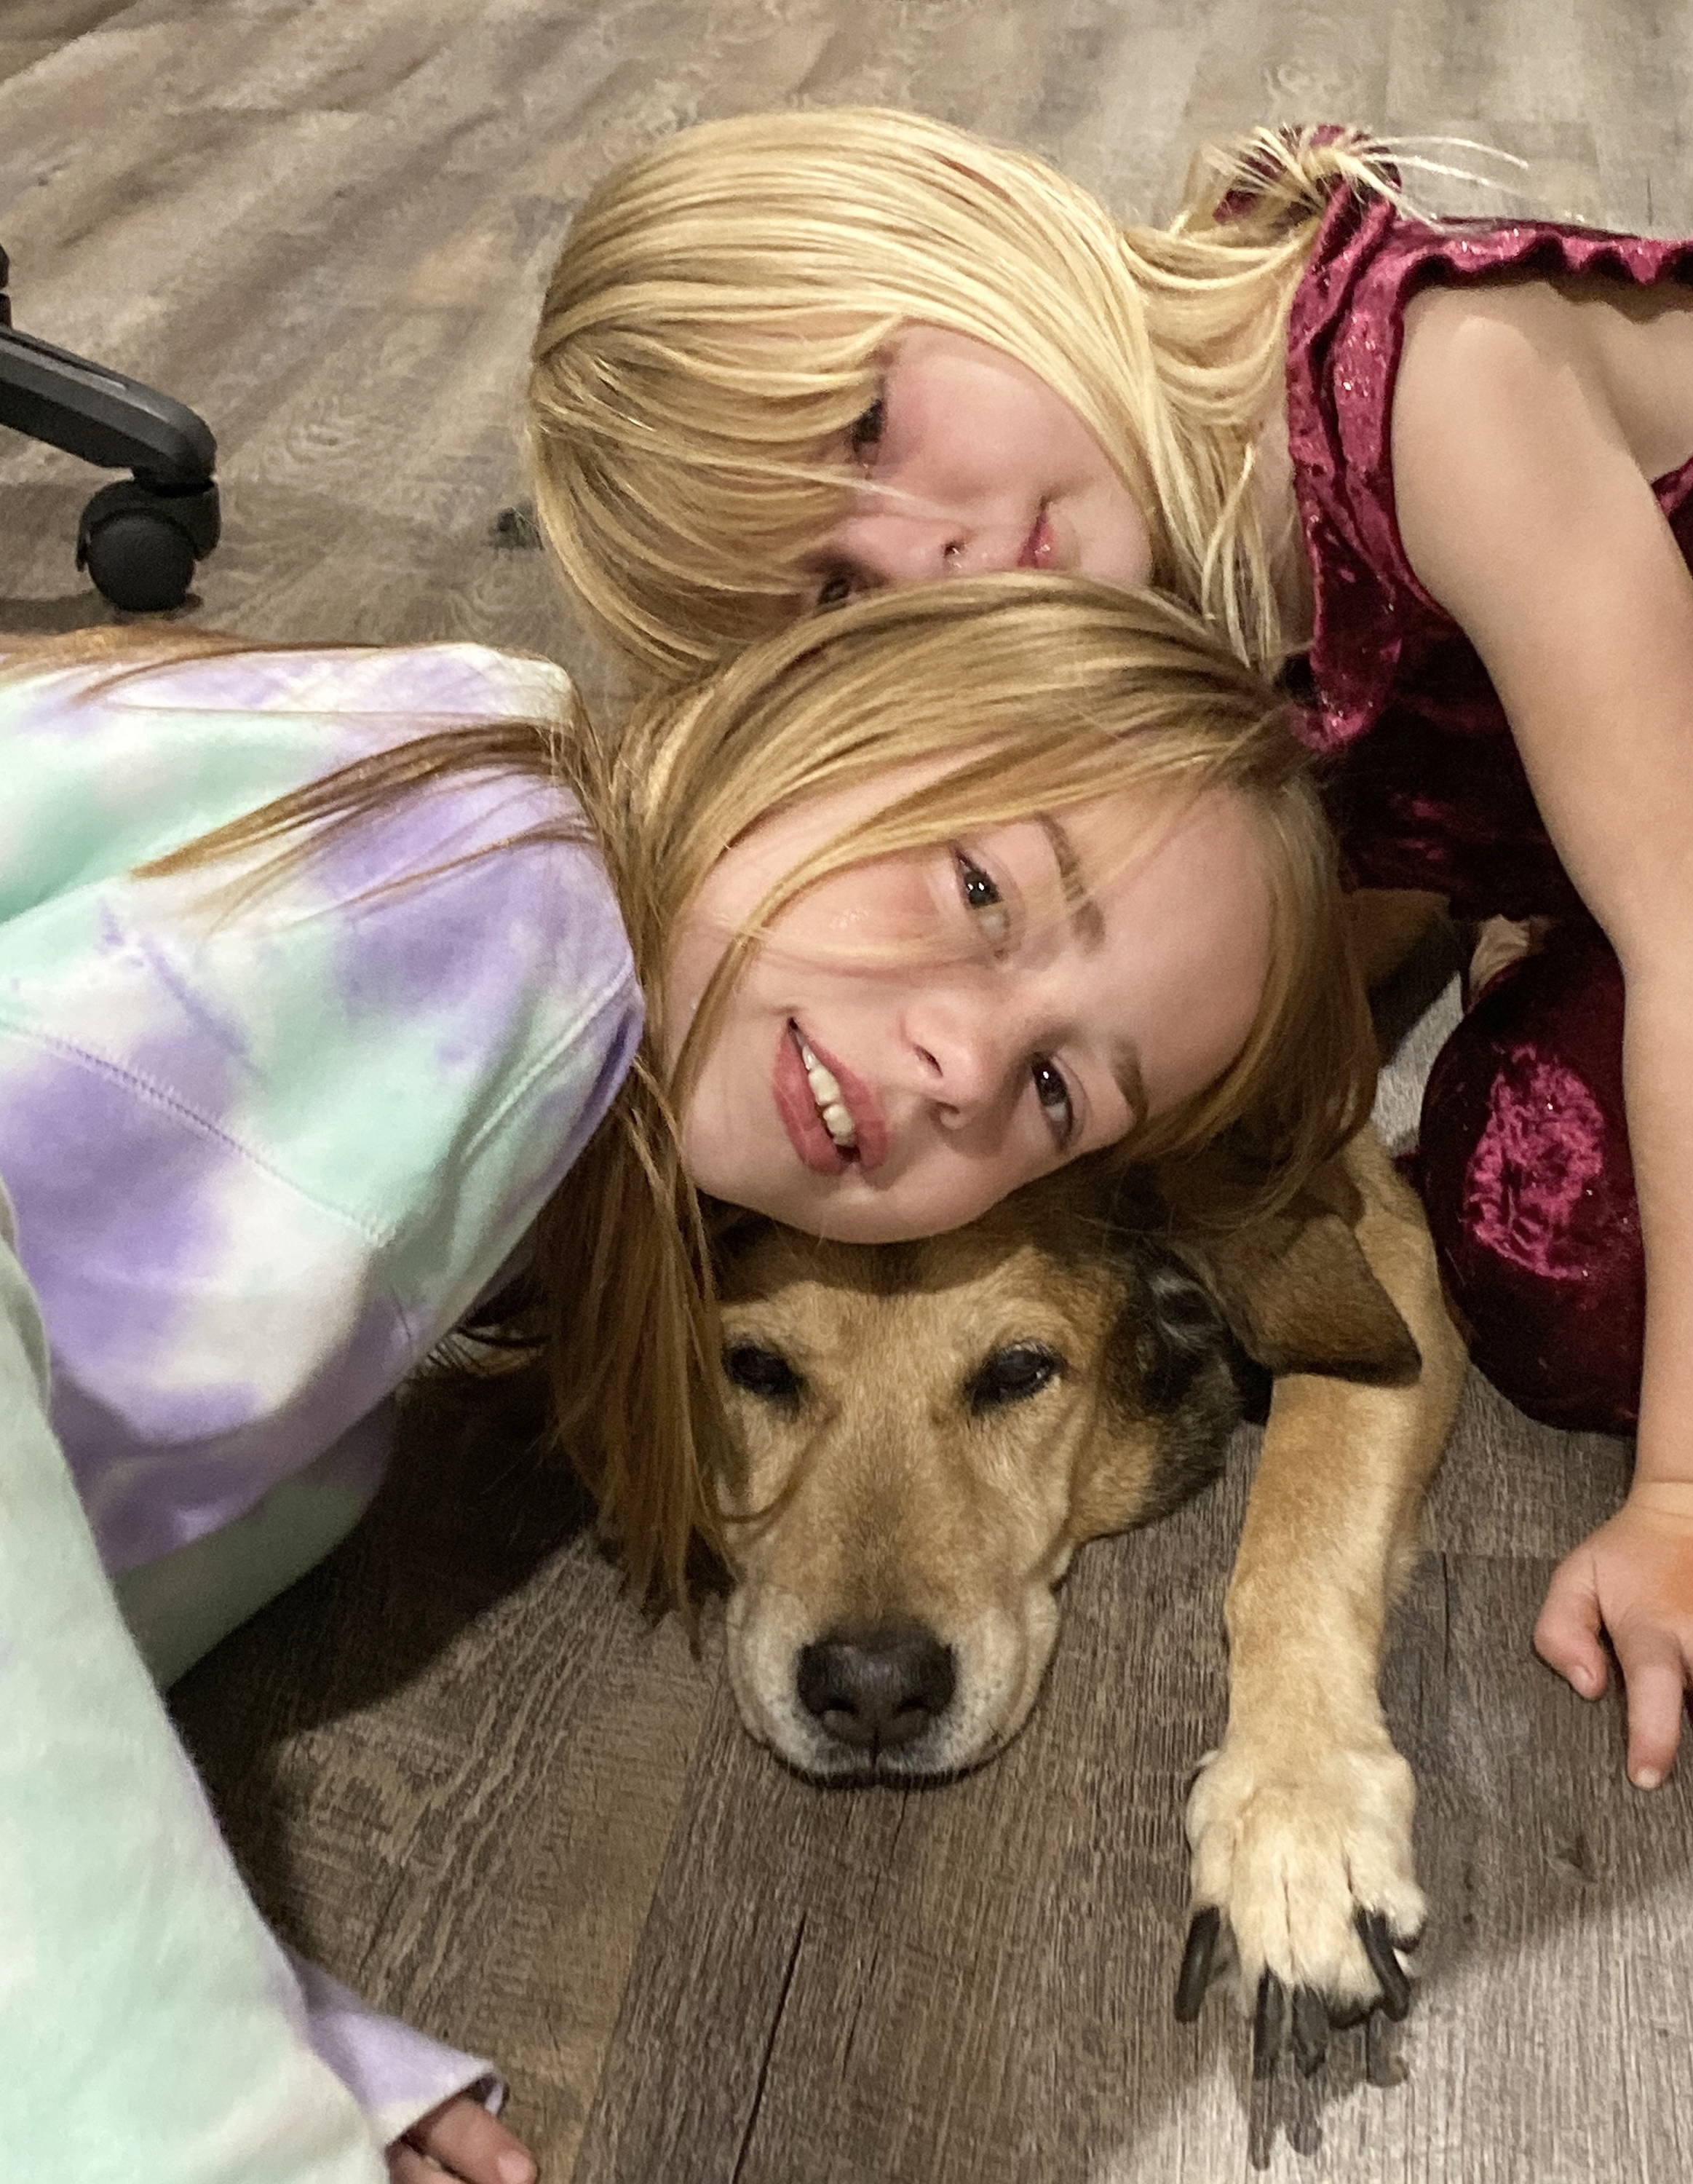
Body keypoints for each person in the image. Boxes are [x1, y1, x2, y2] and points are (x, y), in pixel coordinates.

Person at [520, 106, 1693, 1844]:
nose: (922, 552)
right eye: (830, 591)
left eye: (871, 419)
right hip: (1623, 834)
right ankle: (1542, 886)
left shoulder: (1444, 389)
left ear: (971, 211)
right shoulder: (1078, 554)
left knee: (1556, 1227)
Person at [0, 582, 1364, 2181]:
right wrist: (221, 2114)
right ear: (827, 706)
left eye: (1056, 1086)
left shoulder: (498, 1144)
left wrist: (249, 2006)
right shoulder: (493, 935)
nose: (963, 1060)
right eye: (980, 887)